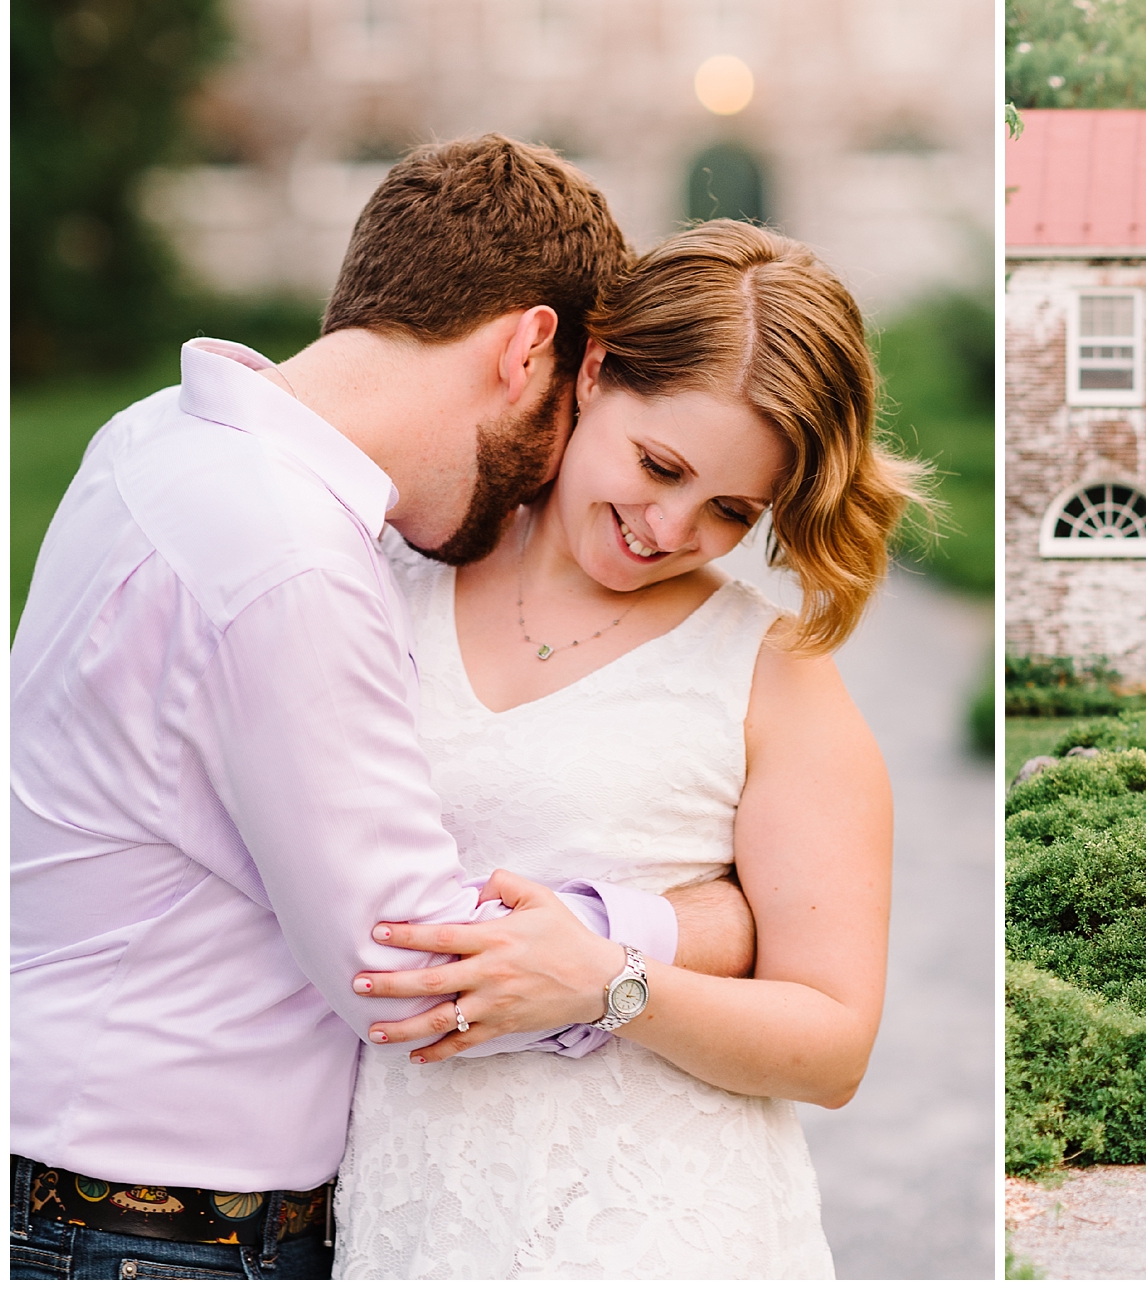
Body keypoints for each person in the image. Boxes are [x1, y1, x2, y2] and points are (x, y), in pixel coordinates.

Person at [11, 137, 750, 1282]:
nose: (539, 477)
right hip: (158, 1227)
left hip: (79, 1178)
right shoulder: (288, 561)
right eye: (569, 414)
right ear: (527, 348)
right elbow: (417, 977)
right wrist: (701, 923)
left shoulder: (151, 435)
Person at [329, 219, 918, 1278]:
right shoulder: (381, 577)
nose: (669, 524)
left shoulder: (772, 674)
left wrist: (611, 979)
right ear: (595, 369)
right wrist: (707, 918)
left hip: (664, 1228)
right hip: (412, 1214)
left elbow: (832, 1042)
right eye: (659, 463)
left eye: (731, 508)